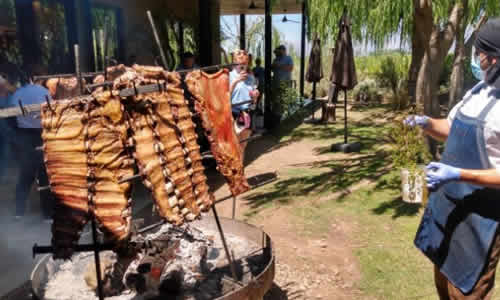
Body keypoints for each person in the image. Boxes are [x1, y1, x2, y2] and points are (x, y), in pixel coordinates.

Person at [405, 19, 500, 299]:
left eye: (479, 52)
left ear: (493, 58)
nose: (475, 57)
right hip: (450, 209)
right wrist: (425, 123)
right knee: (443, 285)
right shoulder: (477, 91)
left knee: (465, 291)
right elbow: (451, 127)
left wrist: (457, 174)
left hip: (481, 221)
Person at [10, 65, 54, 221]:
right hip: (41, 134)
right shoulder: (44, 92)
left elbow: (12, 115)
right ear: (37, 78)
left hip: (24, 136)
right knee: (44, 175)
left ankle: (19, 212)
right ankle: (47, 214)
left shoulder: (18, 93)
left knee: (25, 175)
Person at [229, 50, 260, 159]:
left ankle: (240, 171)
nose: (242, 55)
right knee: (234, 145)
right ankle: (234, 172)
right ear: (234, 60)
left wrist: (255, 96)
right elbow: (224, 95)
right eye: (239, 54)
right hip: (234, 113)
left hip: (247, 113)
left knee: (243, 145)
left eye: (245, 54)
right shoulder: (228, 76)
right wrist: (236, 81)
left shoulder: (251, 77)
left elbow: (253, 99)